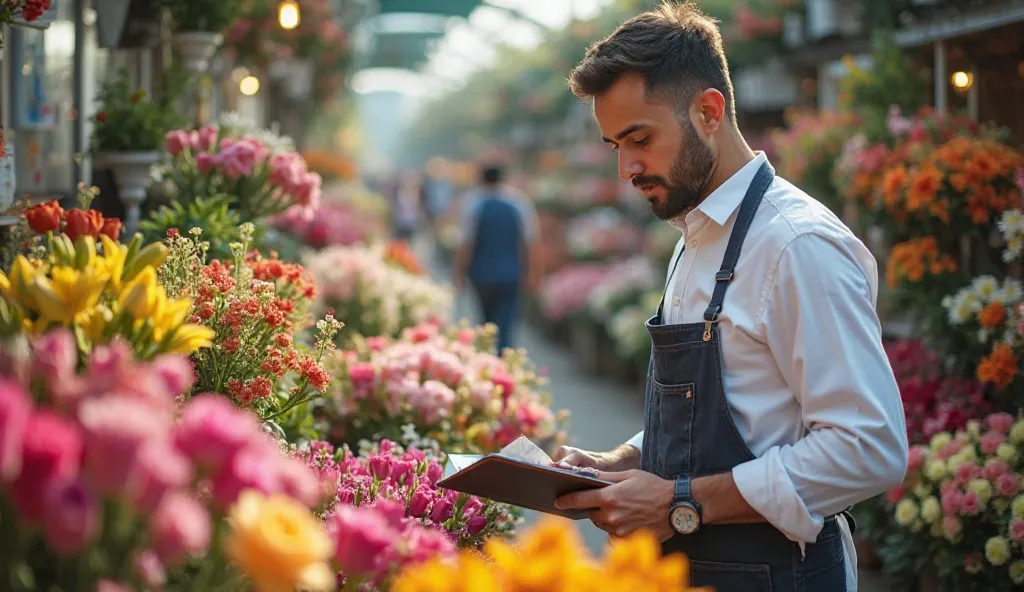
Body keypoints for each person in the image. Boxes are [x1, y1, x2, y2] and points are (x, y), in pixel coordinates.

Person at [550, 3, 908, 591]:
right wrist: (630, 459)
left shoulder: (796, 245)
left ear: (709, 111)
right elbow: (749, 409)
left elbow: (869, 446)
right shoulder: (696, 234)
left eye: (639, 138)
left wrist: (678, 502)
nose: (626, 168)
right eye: (615, 144)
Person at [452, 164, 541, 352]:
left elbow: (466, 243)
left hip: (481, 274)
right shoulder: (519, 203)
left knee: (485, 321)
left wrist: (459, 272)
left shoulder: (474, 204)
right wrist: (533, 272)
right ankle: (503, 358)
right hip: (511, 274)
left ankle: (488, 359)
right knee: (507, 323)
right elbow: (530, 242)